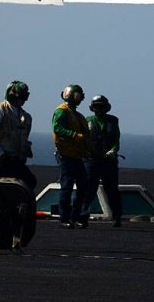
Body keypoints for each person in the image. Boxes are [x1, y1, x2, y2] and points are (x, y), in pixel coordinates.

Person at [0, 80, 37, 191]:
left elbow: (23, 137)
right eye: (21, 96)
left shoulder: (26, 117)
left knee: (30, 183)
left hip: (16, 161)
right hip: (1, 162)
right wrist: (0, 154)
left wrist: (26, 149)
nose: (23, 100)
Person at [52, 84, 90, 229]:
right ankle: (64, 218)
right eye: (79, 95)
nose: (80, 98)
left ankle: (77, 217)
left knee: (82, 187)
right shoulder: (61, 111)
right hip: (66, 155)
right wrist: (74, 135)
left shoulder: (77, 115)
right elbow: (57, 128)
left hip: (77, 155)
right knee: (66, 187)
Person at [83, 95, 123, 227]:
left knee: (111, 189)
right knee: (89, 189)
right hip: (91, 160)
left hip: (109, 161)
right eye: (96, 106)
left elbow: (116, 139)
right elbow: (84, 139)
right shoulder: (87, 120)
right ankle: (83, 215)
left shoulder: (113, 121)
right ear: (92, 108)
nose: (99, 109)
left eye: (101, 106)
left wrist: (113, 151)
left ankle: (117, 217)